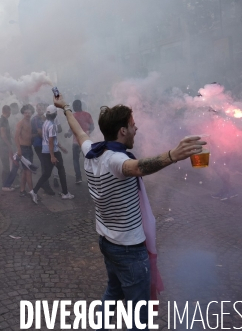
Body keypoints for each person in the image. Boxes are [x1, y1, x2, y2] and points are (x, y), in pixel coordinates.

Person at [54, 94, 205, 330]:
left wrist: (64, 108)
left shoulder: (92, 151)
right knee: (138, 315)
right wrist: (173, 155)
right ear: (122, 131)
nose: (137, 128)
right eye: (133, 125)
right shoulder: (115, 160)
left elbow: (78, 132)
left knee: (113, 293)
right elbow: (136, 167)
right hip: (129, 250)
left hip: (107, 241)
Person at [29, 105, 73, 203]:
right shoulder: (52, 125)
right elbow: (50, 141)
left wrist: (61, 147)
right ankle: (65, 193)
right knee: (61, 171)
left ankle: (34, 191)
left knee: (47, 173)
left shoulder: (45, 123)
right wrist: (53, 156)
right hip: (52, 152)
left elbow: (51, 140)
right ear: (55, 114)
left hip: (45, 151)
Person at [64, 100, 94, 184]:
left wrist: (67, 134)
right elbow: (92, 126)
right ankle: (91, 178)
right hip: (86, 141)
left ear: (74, 107)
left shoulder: (73, 117)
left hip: (76, 142)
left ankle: (78, 178)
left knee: (76, 160)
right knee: (88, 160)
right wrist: (88, 132)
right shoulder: (87, 115)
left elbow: (71, 129)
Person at [30, 103, 55, 195]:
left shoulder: (46, 118)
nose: (39, 110)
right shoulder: (36, 119)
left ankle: (44, 184)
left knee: (46, 164)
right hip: (39, 145)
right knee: (45, 164)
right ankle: (45, 185)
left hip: (45, 145)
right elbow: (40, 133)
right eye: (38, 108)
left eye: (41, 108)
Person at [0, 105, 19, 192]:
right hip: (3, 146)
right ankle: (5, 185)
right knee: (6, 165)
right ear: (8, 111)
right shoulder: (3, 120)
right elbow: (3, 135)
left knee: (7, 165)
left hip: (3, 145)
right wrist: (9, 145)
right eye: (10, 112)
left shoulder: (3, 120)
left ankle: (8, 183)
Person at [15, 104, 35, 198]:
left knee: (25, 171)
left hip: (29, 148)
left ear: (32, 113)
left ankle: (22, 190)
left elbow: (30, 135)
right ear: (23, 113)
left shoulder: (31, 122)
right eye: (25, 112)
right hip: (23, 149)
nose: (27, 114)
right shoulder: (21, 123)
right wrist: (19, 149)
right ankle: (32, 191)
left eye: (29, 112)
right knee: (28, 171)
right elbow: (16, 137)